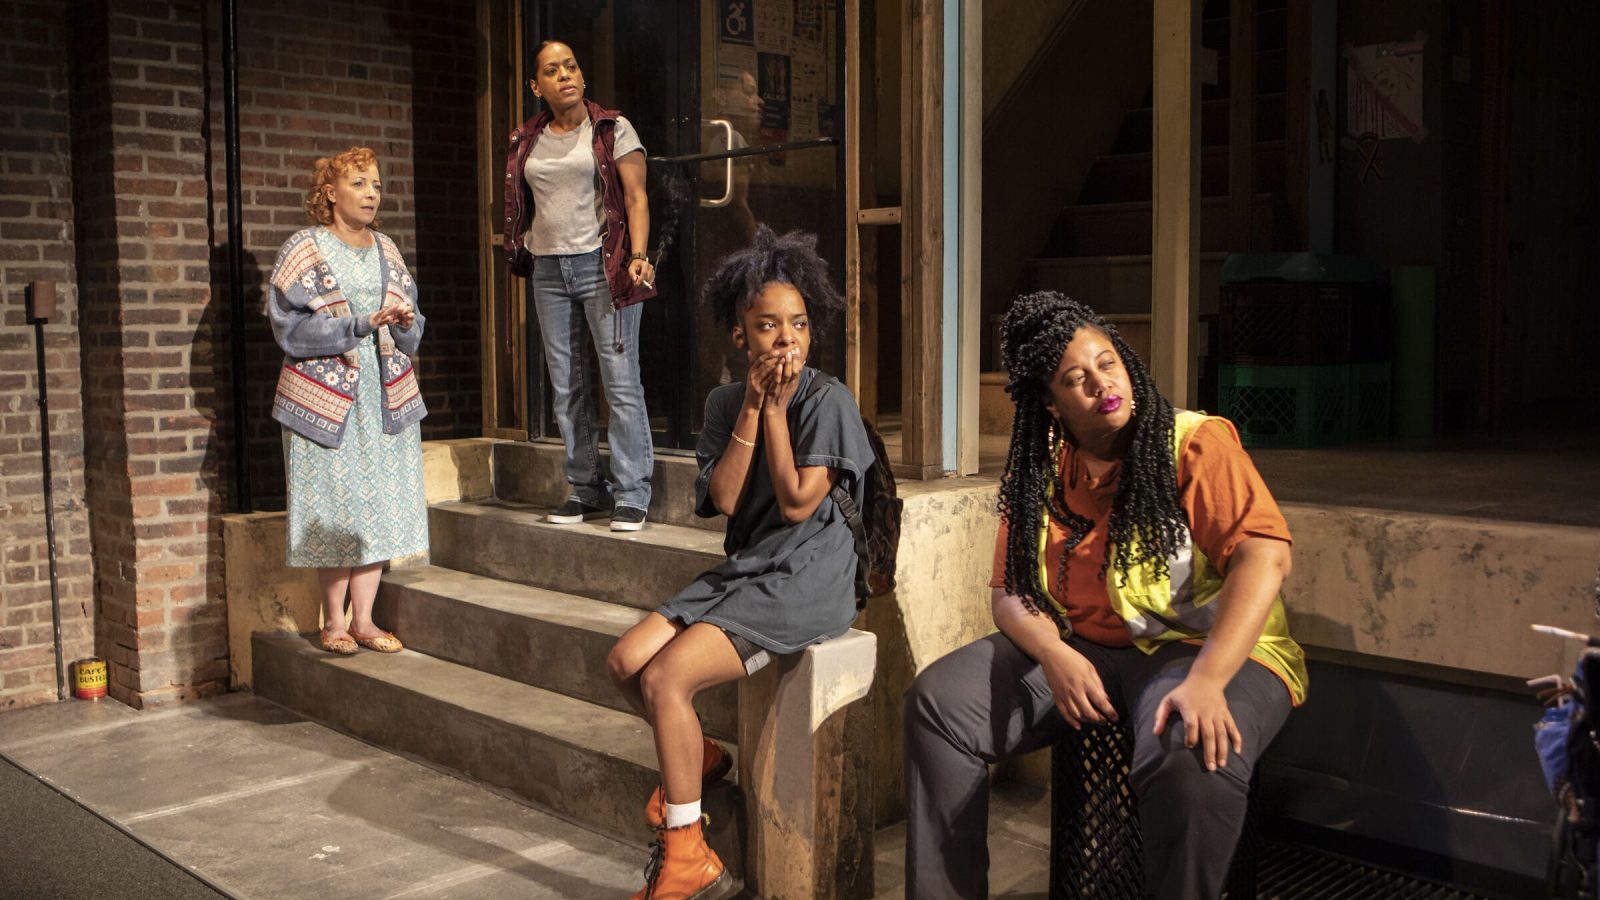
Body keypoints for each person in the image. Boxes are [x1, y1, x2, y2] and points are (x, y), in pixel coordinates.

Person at [903, 292, 1308, 900]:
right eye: (1076, 378)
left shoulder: (1191, 443)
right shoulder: (1039, 466)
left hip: (1203, 652)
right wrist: (1055, 655)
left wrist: (1208, 679)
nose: (1101, 384)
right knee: (938, 704)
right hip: (1085, 649)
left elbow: (1265, 554)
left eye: (1108, 363)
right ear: (1050, 401)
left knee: (1190, 752)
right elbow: (1010, 593)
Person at [605, 226, 875, 900]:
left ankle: (688, 854)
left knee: (667, 677)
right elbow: (725, 495)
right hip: (754, 566)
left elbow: (794, 502)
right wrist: (755, 404)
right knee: (624, 662)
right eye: (767, 326)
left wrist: (778, 409)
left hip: (813, 572)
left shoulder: (828, 400)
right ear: (739, 338)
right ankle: (701, 757)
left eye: (799, 325)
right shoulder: (724, 403)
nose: (786, 340)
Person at [268, 146, 426, 655]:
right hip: (326, 400)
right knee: (335, 507)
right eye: (359, 184)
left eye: (376, 185)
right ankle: (332, 621)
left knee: (375, 505)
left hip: (382, 396)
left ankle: (365, 619)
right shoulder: (304, 248)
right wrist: (357, 324)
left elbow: (415, 326)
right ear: (330, 193)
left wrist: (404, 322)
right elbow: (289, 328)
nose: (371, 194)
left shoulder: (388, 249)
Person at [504, 40, 656, 531]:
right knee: (565, 383)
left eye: (571, 65)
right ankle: (587, 487)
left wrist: (637, 255)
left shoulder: (612, 129)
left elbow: (636, 198)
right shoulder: (526, 138)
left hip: (603, 263)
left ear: (582, 75)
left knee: (619, 378)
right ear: (537, 86)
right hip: (548, 268)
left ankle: (633, 491)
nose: (565, 74)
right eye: (552, 70)